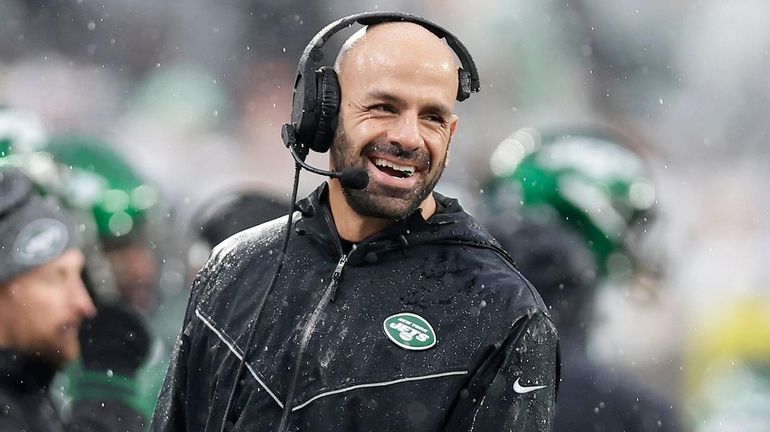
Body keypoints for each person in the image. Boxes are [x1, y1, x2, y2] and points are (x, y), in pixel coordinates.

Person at [152, 13, 559, 432]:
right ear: (322, 114)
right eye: (383, 107)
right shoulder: (234, 268)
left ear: (450, 134)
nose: (409, 137)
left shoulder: (501, 313)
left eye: (432, 117)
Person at [483, 126, 681, 431]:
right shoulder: (620, 409)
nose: (632, 241)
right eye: (628, 218)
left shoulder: (464, 284)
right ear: (589, 208)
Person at [0, 166, 150, 431]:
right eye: (55, 279)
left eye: (79, 277)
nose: (83, 304)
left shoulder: (29, 391)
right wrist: (109, 389)